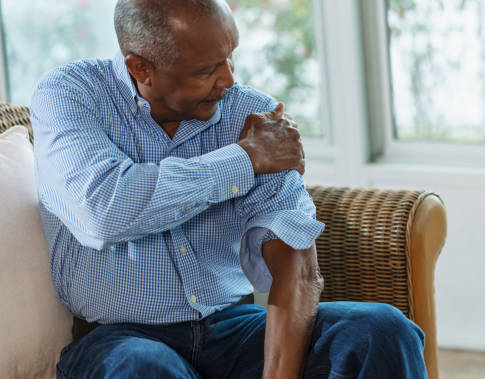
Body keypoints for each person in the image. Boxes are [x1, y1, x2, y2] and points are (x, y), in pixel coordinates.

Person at [30, 0, 427, 377]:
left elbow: (297, 266)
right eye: (207, 70)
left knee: (382, 330)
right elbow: (104, 211)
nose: (229, 79)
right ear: (141, 69)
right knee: (144, 368)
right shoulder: (71, 95)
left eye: (230, 56)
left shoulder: (250, 114)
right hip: (120, 339)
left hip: (232, 328)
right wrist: (245, 159)